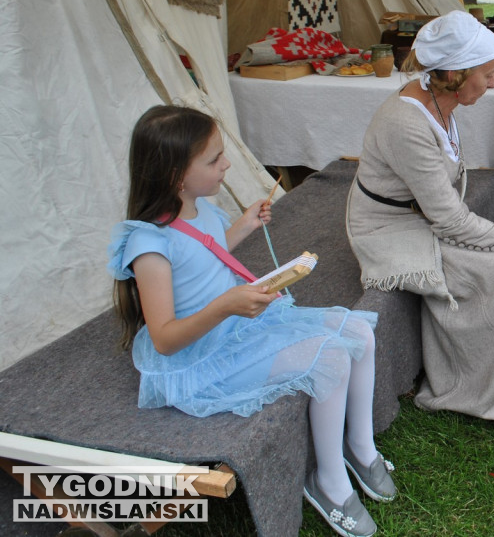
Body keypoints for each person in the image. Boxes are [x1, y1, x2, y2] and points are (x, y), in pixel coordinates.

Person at [109, 106, 393, 537]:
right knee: (331, 358)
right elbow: (166, 339)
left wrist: (241, 227)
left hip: (238, 324)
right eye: (214, 159)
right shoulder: (148, 245)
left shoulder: (198, 207)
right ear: (175, 175)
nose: (226, 164)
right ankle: (329, 482)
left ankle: (360, 445)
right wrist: (225, 305)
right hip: (201, 353)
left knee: (359, 332)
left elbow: (205, 254)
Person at [346, 10, 494, 424]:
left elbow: (444, 209)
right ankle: (482, 389)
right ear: (456, 75)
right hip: (387, 230)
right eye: (489, 73)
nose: (493, 82)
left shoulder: (438, 103)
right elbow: (451, 221)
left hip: (423, 215)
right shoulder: (406, 122)